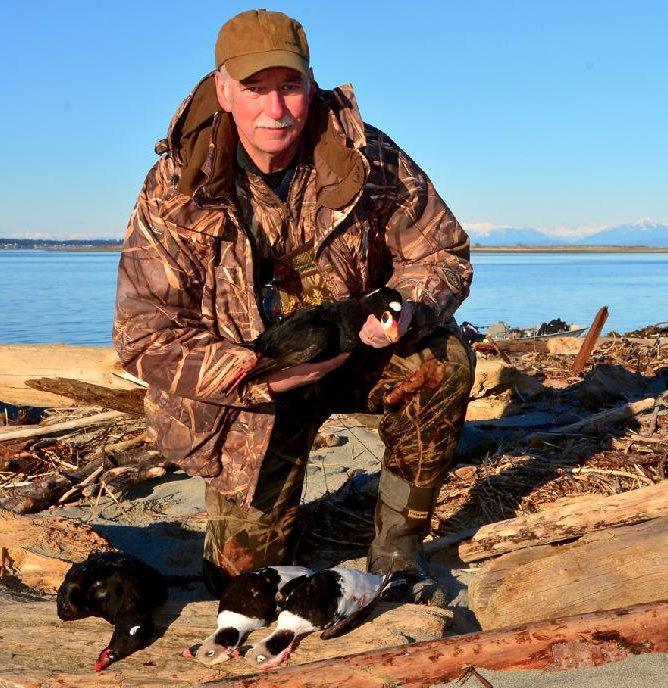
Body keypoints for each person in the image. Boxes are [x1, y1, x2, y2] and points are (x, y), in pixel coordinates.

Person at [113, 9, 473, 604]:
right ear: (224, 90)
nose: (274, 109)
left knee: (443, 360)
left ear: (311, 86)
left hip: (356, 355)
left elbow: (445, 253)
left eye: (289, 87)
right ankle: (279, 524)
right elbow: (143, 335)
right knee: (238, 587)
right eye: (255, 89)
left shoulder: (369, 157)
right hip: (251, 393)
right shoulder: (178, 186)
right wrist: (251, 375)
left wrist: (407, 308)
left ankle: (398, 548)